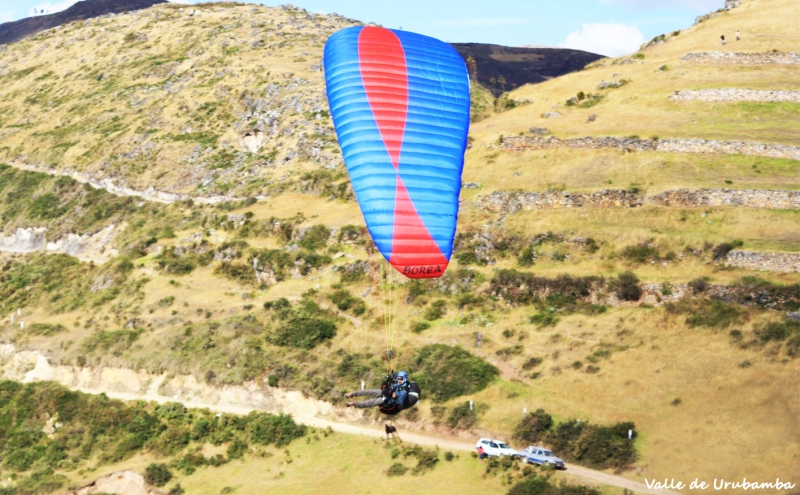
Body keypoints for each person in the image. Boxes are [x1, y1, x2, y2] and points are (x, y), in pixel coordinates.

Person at [345, 371, 410, 410]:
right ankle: (353, 394)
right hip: (385, 392)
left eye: (401, 379)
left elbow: (400, 404)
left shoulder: (404, 392)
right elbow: (396, 375)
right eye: (398, 378)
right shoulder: (398, 381)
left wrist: (394, 398)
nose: (399, 380)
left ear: (404, 379)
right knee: (368, 391)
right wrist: (392, 373)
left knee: (370, 402)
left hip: (387, 399)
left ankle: (354, 404)